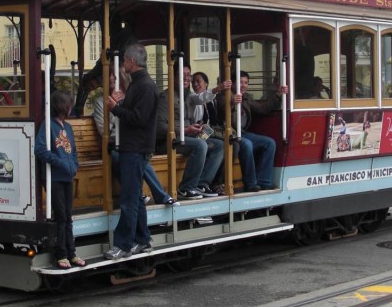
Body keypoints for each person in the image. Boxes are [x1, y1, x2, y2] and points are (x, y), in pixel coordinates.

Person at [103, 43, 157, 260]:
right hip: (134, 147)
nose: (123, 64)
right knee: (134, 198)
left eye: (125, 60)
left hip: (135, 148)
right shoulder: (140, 84)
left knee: (129, 198)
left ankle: (123, 244)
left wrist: (115, 109)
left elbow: (139, 119)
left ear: (131, 62)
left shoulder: (144, 86)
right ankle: (143, 240)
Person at [93, 70, 176, 206]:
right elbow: (104, 130)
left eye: (113, 74)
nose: (111, 78)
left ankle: (153, 195)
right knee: (118, 157)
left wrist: (121, 113)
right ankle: (149, 195)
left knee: (140, 158)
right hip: (114, 143)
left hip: (132, 141)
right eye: (108, 76)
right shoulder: (100, 102)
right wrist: (114, 109)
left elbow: (136, 119)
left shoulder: (129, 96)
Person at [34, 90, 84, 269]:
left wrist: (74, 165)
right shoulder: (47, 126)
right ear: (63, 107)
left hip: (67, 177)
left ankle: (72, 252)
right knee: (61, 215)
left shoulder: (67, 127)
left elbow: (73, 151)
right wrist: (61, 163)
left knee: (67, 215)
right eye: (69, 105)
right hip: (54, 177)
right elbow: (40, 150)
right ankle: (61, 253)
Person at [232, 72, 287, 192]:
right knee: (247, 144)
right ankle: (250, 183)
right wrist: (232, 101)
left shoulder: (246, 97)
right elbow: (221, 107)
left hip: (243, 133)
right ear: (233, 84)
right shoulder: (225, 96)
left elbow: (262, 109)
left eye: (246, 83)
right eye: (240, 82)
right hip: (230, 134)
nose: (243, 85)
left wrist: (278, 95)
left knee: (269, 143)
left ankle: (264, 181)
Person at [182, 68, 228, 196]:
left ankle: (211, 182)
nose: (195, 84)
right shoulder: (194, 100)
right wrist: (217, 88)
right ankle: (209, 183)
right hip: (196, 135)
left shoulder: (212, 101)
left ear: (206, 84)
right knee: (211, 145)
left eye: (198, 81)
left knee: (228, 145)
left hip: (205, 133)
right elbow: (199, 123)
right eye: (193, 82)